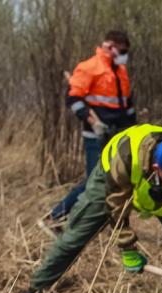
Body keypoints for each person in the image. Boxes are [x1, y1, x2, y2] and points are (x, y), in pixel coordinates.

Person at [22, 124, 162, 293]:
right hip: (111, 178)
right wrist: (127, 246)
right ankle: (37, 288)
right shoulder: (126, 157)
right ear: (157, 168)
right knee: (76, 236)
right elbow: (116, 205)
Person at [47, 30, 137, 228]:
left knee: (115, 179)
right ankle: (56, 217)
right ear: (110, 46)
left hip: (117, 134)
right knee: (93, 181)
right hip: (95, 134)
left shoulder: (120, 71)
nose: (124, 55)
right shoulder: (89, 67)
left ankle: (100, 220)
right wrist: (93, 122)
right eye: (122, 50)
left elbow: (127, 104)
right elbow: (73, 99)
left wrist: (133, 129)